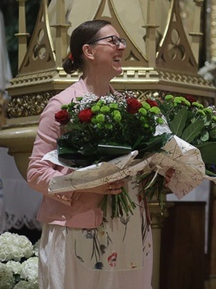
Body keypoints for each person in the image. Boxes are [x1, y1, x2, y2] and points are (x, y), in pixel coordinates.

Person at [26, 20, 153, 288]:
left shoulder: (128, 107)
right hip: (78, 228)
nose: (121, 47)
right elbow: (36, 173)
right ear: (89, 51)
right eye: (113, 41)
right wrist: (89, 182)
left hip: (127, 230)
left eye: (122, 42)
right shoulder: (61, 105)